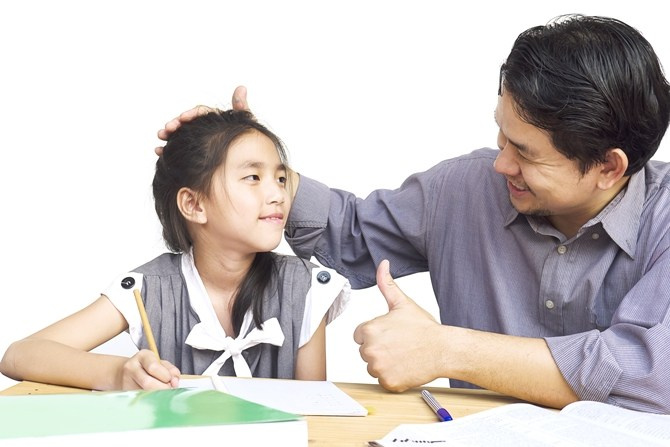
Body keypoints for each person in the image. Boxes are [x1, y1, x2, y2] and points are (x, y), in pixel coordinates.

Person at [155, 15, 670, 413]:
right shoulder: (461, 188)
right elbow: (349, 234)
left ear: (608, 166)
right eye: (501, 133)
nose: (501, 162)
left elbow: (648, 374)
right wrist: (246, 162)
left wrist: (448, 351)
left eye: (526, 153)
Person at [0, 109, 350, 391]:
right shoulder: (149, 288)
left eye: (281, 178)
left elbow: (316, 416)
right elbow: (19, 355)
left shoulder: (306, 288)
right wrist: (119, 373)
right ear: (194, 204)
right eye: (253, 178)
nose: (278, 194)